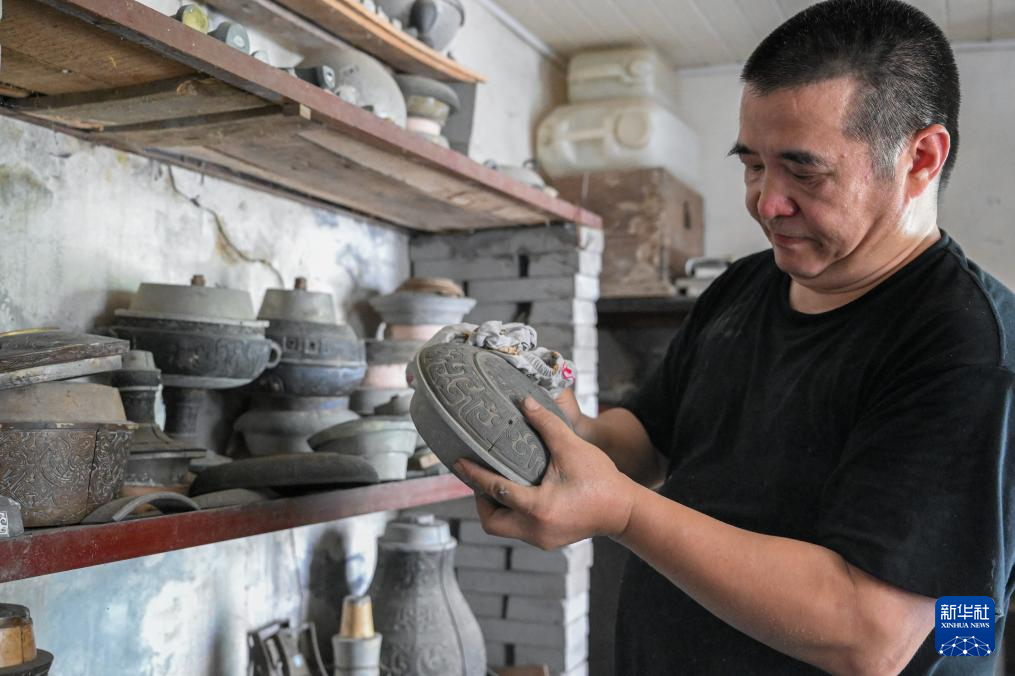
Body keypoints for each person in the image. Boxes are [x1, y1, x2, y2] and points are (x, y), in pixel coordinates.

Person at [453, 0, 1015, 673]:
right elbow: (644, 444)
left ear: (920, 158)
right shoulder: (745, 285)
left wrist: (624, 514)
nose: (765, 203)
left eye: (803, 172)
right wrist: (559, 421)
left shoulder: (967, 346)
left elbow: (868, 635)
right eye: (752, 165)